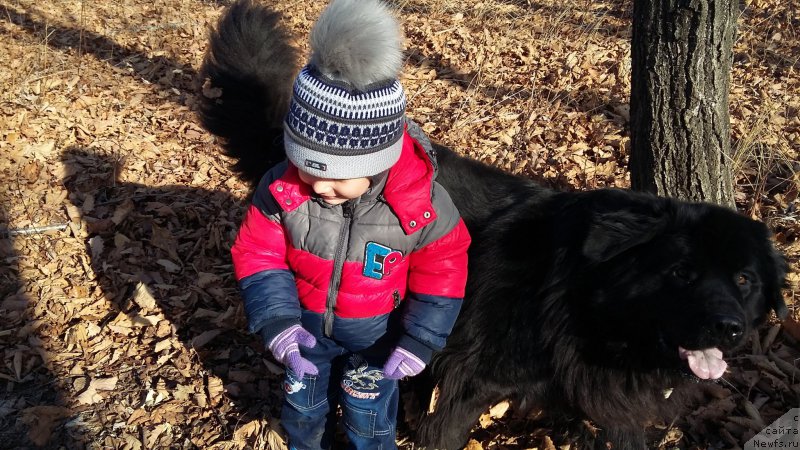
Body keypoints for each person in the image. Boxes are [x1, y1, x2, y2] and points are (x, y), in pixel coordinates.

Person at [229, 0, 471, 448]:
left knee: (368, 417)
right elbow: (258, 253)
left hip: (378, 339)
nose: (319, 187)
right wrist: (278, 321)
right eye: (305, 167)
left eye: (336, 176)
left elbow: (444, 269)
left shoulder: (419, 204)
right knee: (302, 408)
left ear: (377, 161)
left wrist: (420, 339)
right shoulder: (280, 189)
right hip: (304, 330)